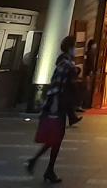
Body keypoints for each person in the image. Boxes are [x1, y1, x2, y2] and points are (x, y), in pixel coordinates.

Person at [27, 35, 81, 184]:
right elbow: (64, 86)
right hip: (57, 105)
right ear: (70, 48)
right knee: (56, 137)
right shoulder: (67, 65)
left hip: (55, 104)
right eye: (74, 47)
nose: (75, 50)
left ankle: (44, 166)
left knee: (56, 138)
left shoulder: (62, 63)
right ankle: (43, 166)